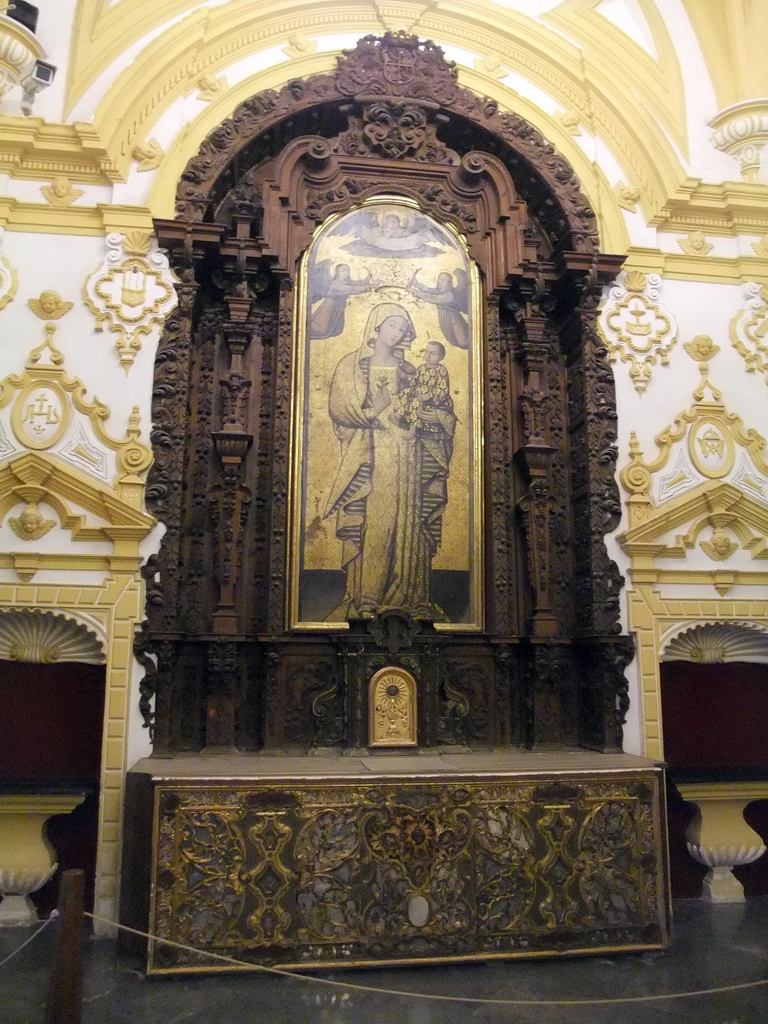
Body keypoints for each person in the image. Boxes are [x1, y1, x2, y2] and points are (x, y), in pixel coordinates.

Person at [323, 303, 454, 621]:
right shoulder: (352, 366)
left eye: (402, 328)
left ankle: (407, 595)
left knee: (406, 521)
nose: (398, 333)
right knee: (376, 522)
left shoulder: (413, 371)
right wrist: (372, 410)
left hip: (408, 454)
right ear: (375, 327)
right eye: (392, 326)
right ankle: (366, 597)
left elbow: (441, 405)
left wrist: (434, 416)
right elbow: (340, 410)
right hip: (371, 455)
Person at [409, 269, 470, 349]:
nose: (440, 281)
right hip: (445, 319)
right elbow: (426, 289)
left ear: (450, 283)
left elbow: (431, 298)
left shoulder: (449, 295)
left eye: (444, 280)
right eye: (440, 279)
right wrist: (415, 283)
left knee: (462, 342)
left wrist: (414, 291)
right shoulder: (438, 291)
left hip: (453, 319)